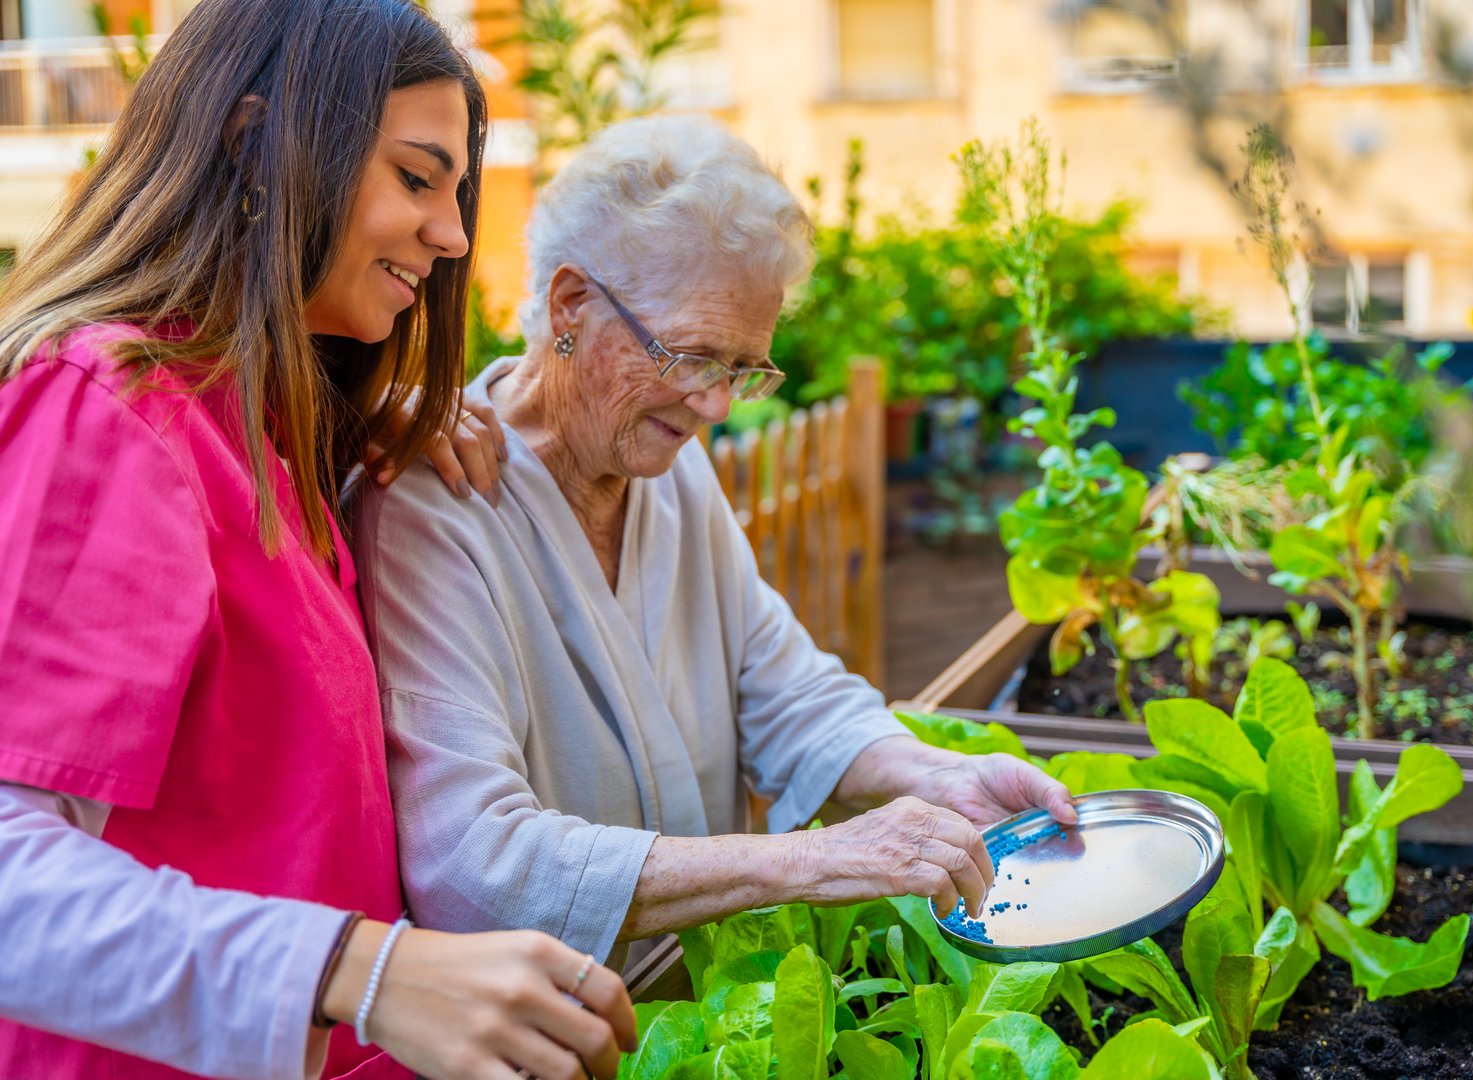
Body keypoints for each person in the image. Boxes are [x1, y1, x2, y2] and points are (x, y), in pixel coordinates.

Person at [0, 1, 634, 1077]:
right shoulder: (107, 408)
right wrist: (367, 972)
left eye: (457, 191)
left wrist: (365, 426)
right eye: (416, 178)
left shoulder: (263, 429)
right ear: (257, 149)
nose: (453, 236)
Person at [354, 114, 1079, 966]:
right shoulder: (429, 504)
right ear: (571, 305)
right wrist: (816, 859)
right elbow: (473, 864)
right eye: (694, 356)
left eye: (746, 369)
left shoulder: (669, 470)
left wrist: (932, 775)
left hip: (697, 1010)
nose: (718, 408)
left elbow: (780, 687)